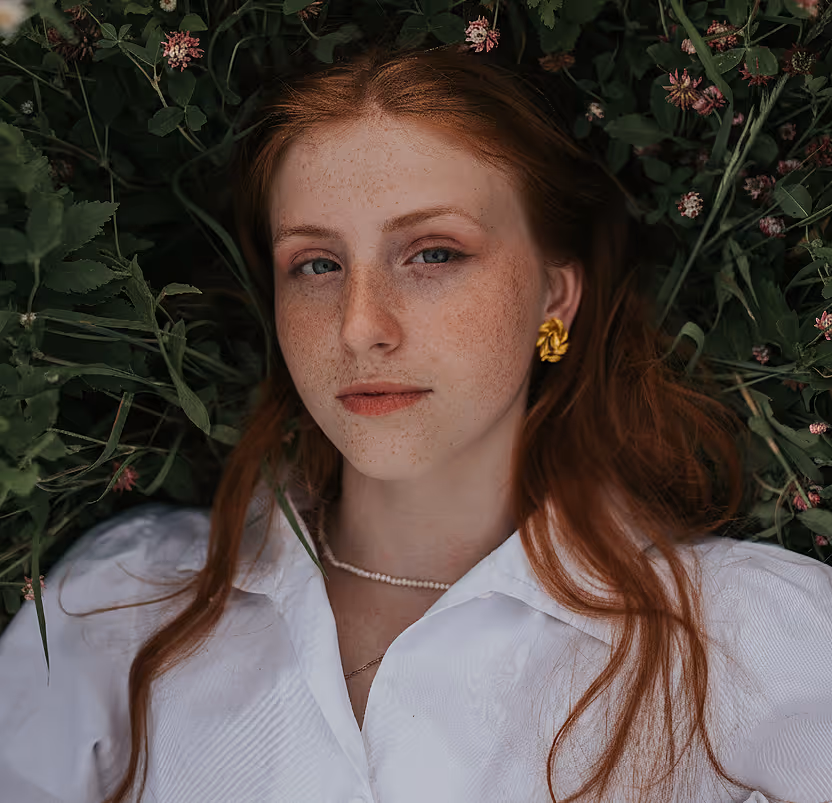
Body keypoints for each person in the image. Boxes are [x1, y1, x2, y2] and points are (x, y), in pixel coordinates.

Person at [1, 42, 831, 803]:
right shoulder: (121, 605)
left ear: (555, 294)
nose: (361, 325)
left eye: (432, 253)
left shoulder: (748, 639)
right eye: (317, 264)